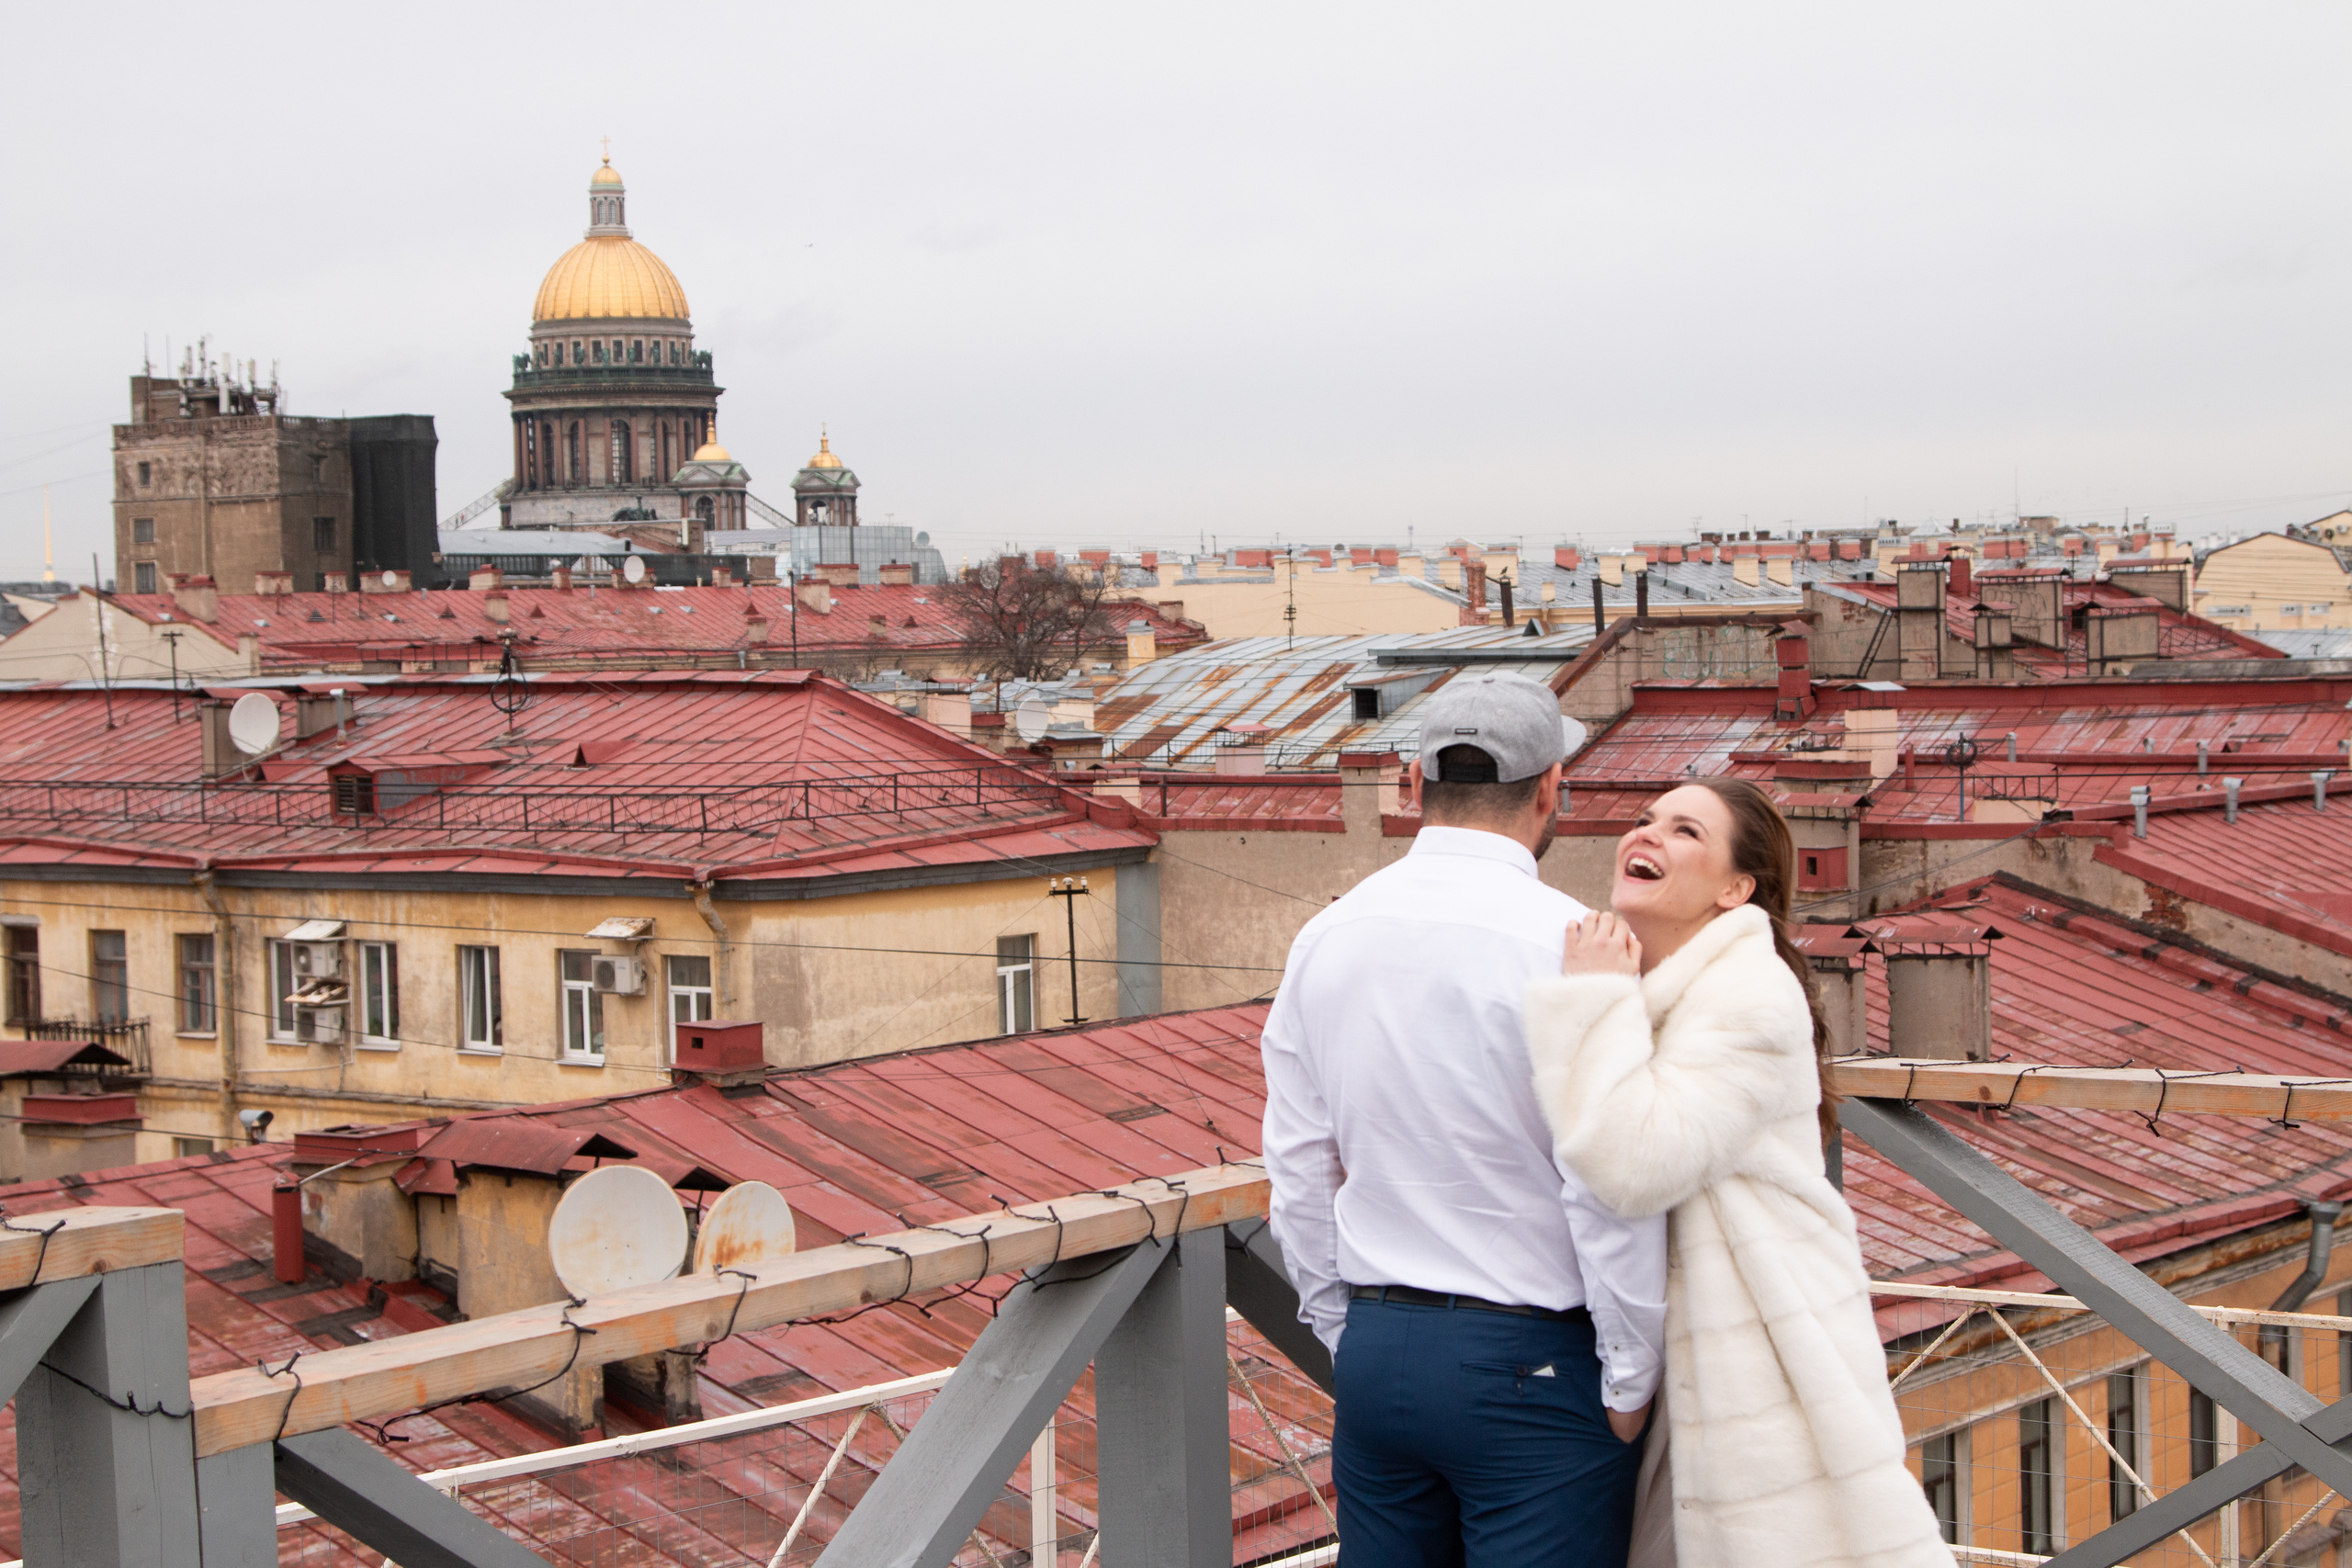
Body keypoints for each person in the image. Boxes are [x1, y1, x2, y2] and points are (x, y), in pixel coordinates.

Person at [1261, 671, 1667, 1568]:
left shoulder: (1327, 935)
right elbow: (1609, 1182)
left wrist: (1339, 1326)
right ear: (1553, 788)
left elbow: (1296, 1165)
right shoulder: (1578, 947)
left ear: (1412, 785)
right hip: (1534, 1360)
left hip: (1377, 1349)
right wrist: (1632, 1371)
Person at [1523, 777, 1954, 1568]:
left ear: (1735, 887)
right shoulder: (1667, 986)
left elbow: (1630, 1163)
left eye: (1686, 830)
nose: (1647, 835)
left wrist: (1588, 998)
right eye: (1646, 819)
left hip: (1764, 1348)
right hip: (1696, 1353)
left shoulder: (1750, 992)